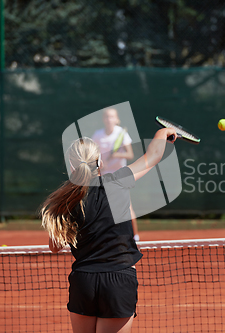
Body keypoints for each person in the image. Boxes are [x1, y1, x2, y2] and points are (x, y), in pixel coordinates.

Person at [40, 127, 176, 333]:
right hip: (118, 282)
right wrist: (162, 133)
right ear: (99, 162)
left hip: (83, 282)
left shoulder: (65, 201)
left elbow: (55, 246)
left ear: (71, 166)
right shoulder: (118, 182)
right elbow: (154, 155)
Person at [92, 108, 140, 241]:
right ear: (103, 119)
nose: (109, 119)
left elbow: (130, 154)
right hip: (104, 175)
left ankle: (135, 236)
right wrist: (100, 163)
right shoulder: (97, 135)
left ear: (117, 119)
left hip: (120, 176)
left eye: (112, 117)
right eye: (107, 117)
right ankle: (102, 237)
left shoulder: (121, 134)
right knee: (102, 206)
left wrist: (116, 154)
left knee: (127, 207)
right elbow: (93, 154)